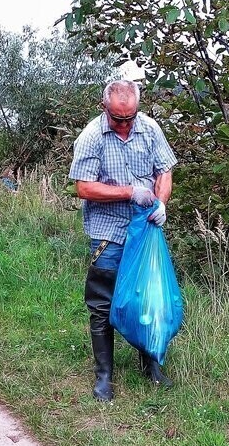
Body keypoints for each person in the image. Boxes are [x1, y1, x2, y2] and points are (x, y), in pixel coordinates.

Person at [69, 79, 178, 400]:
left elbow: (165, 170)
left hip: (144, 230)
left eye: (130, 117)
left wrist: (160, 203)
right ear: (105, 108)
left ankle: (151, 365)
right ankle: (104, 376)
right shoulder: (91, 137)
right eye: (119, 118)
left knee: (145, 298)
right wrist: (129, 191)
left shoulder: (150, 129)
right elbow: (84, 188)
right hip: (109, 233)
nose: (126, 124)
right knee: (103, 303)